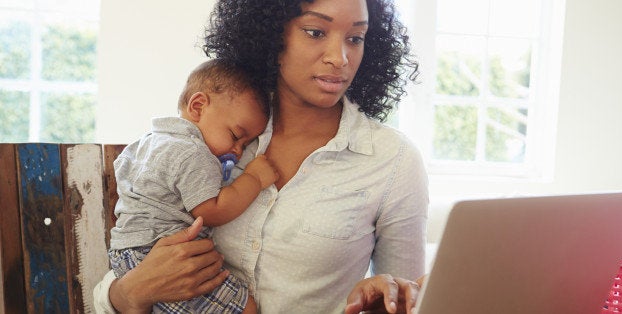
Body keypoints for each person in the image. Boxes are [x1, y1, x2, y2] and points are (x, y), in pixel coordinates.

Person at [94, 0, 429, 313]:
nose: (340, 58)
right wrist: (131, 292)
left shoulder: (393, 160)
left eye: (356, 38)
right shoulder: (215, 132)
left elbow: (407, 297)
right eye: (315, 32)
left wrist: (390, 296)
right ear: (271, 34)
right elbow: (134, 250)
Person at [107, 59, 278, 314]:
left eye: (246, 144)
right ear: (198, 106)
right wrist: (253, 179)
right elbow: (212, 211)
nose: (238, 151)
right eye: (235, 136)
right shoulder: (193, 153)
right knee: (245, 308)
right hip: (157, 253)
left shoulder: (149, 141)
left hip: (127, 254)